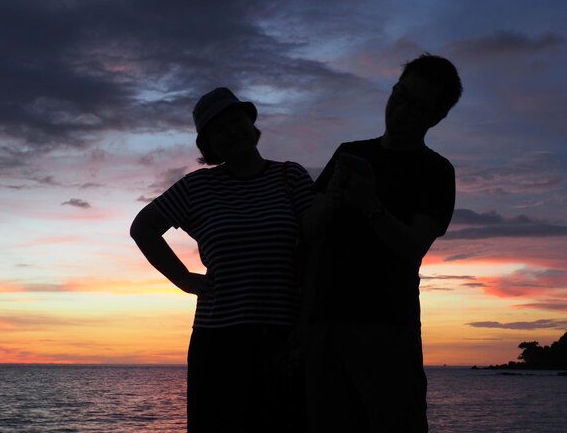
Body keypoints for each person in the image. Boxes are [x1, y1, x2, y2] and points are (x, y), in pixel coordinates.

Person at [130, 87, 313, 433]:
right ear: (208, 145)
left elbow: (318, 245)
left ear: (251, 123)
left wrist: (304, 333)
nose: (231, 131)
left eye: (235, 120)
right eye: (218, 128)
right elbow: (143, 227)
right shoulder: (196, 188)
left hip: (284, 335)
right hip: (217, 340)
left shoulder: (290, 177)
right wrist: (184, 279)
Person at [303, 53, 462, 432]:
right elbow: (306, 228)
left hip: (389, 328)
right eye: (399, 94)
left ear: (436, 117)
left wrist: (370, 205)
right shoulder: (348, 153)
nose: (401, 109)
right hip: (325, 325)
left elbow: (412, 248)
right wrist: (336, 202)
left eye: (417, 105)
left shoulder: (436, 171)